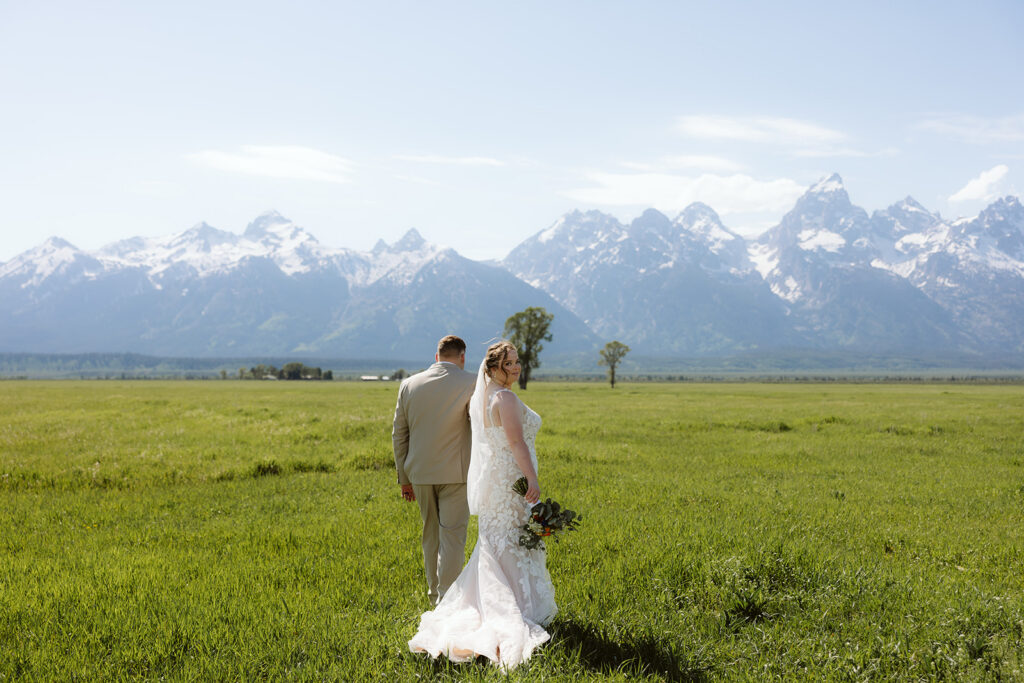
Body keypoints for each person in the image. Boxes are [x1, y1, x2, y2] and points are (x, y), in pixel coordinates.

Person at [408, 340, 556, 671]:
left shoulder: (485, 397)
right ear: (491, 369)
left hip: (498, 481)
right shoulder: (504, 398)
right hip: (510, 481)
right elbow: (516, 442)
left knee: (498, 544)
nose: (515, 368)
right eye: (508, 364)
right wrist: (532, 480)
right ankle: (515, 608)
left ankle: (504, 601)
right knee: (512, 542)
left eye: (517, 361)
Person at [392, 335, 477, 606]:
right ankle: (447, 601)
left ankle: (433, 597)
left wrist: (403, 478)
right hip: (457, 474)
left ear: (437, 355)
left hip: (418, 474)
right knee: (452, 538)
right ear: (462, 357)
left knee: (431, 535)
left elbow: (399, 435)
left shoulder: (408, 384)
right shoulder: (473, 382)